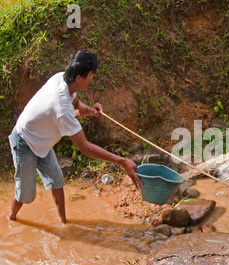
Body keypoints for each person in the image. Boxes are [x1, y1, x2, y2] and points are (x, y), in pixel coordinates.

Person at [7, 49, 142, 224]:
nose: (92, 78)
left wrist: (90, 111)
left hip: (43, 142)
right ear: (79, 77)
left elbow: (76, 104)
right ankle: (11, 218)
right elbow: (84, 147)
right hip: (25, 141)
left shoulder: (62, 78)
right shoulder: (61, 108)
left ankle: (64, 222)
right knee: (26, 195)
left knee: (57, 180)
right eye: (91, 75)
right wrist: (122, 161)